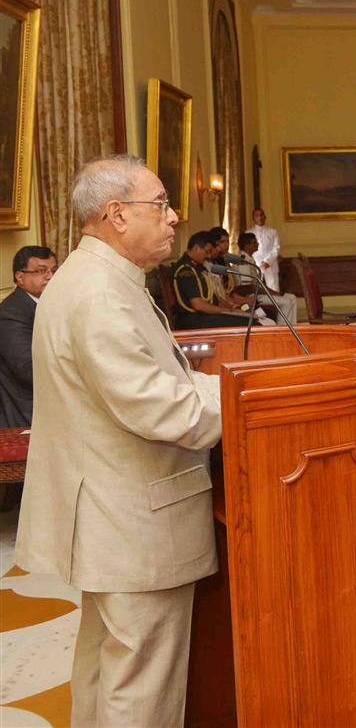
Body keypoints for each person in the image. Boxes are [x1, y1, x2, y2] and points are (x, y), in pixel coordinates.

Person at [16, 154, 222, 725]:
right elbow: (158, 408)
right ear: (116, 214)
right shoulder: (101, 293)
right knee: (141, 683)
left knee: (107, 669)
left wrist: (209, 388)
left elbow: (155, 382)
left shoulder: (97, 278)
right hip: (133, 518)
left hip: (115, 511)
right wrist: (241, 401)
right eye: (160, 203)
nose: (175, 215)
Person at [1, 245, 56, 427]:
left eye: (53, 270)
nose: (50, 277)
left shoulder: (52, 303)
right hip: (26, 413)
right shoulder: (10, 314)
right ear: (20, 276)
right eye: (41, 271)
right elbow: (28, 370)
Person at [172, 232, 253, 329]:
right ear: (196, 248)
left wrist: (234, 308)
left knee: (251, 316)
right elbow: (199, 305)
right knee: (250, 324)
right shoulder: (186, 271)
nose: (209, 256)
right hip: (194, 319)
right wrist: (226, 311)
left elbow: (215, 298)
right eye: (207, 252)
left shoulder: (198, 267)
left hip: (206, 315)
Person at [239, 232, 299, 325]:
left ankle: (292, 327)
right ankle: (281, 331)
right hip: (252, 297)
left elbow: (258, 283)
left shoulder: (250, 259)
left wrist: (272, 292)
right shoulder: (243, 261)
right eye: (254, 242)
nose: (258, 244)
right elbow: (249, 287)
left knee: (292, 297)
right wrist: (271, 293)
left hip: (257, 293)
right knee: (286, 302)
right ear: (247, 246)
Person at [251, 207, 282, 292]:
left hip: (271, 265)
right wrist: (258, 262)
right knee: (256, 291)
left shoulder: (273, 231)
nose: (260, 218)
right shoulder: (249, 233)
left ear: (265, 217)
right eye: (257, 216)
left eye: (261, 215)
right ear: (253, 218)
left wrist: (267, 261)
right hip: (255, 265)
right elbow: (249, 250)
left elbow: (276, 247)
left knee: (274, 290)